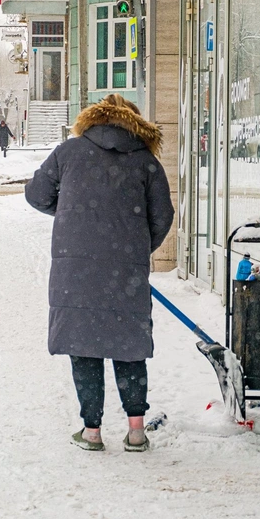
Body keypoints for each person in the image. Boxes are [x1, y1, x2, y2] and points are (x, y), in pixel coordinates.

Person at [25, 94, 174, 453]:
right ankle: (136, 431)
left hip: (75, 267)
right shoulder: (145, 161)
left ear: (92, 121)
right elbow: (163, 215)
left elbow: (36, 194)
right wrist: (136, 248)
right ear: (134, 123)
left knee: (84, 345)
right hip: (126, 268)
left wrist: (74, 213)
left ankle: (92, 432)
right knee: (128, 345)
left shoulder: (68, 151)